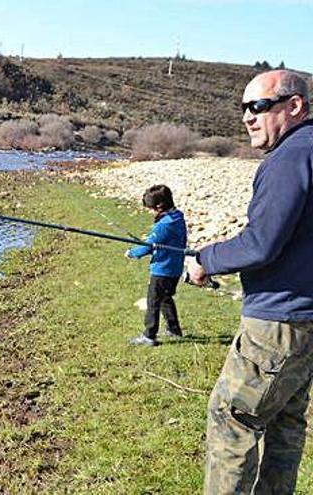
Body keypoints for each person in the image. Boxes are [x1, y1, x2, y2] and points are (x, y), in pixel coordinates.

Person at [188, 69, 313, 494]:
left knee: (232, 419)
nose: (247, 117)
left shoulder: (291, 157)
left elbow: (261, 244)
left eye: (257, 107)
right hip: (305, 322)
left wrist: (207, 257)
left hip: (277, 322)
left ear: (293, 106)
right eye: (243, 109)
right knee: (285, 421)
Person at [125, 184, 187, 346]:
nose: (151, 212)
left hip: (162, 270)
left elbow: (147, 247)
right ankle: (174, 330)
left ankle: (149, 336)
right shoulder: (178, 217)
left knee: (153, 301)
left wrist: (132, 252)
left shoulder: (164, 225)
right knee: (165, 298)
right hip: (175, 268)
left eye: (151, 209)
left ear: (160, 206)